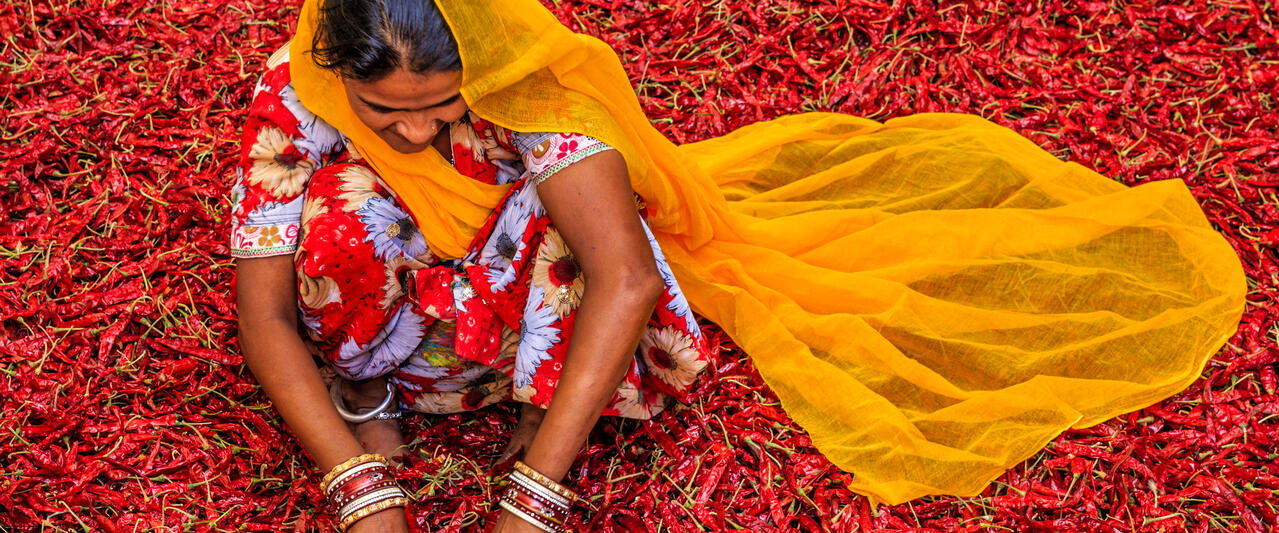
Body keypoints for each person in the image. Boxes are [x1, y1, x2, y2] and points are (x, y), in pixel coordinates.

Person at [233, 0, 1247, 531]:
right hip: (403, 327)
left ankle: (544, 415)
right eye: (384, 112)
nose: (414, 132)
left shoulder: (527, 75)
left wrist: (533, 499)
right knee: (343, 209)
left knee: (570, 223)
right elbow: (267, 309)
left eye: (442, 106)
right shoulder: (297, 88)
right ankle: (376, 402)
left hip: (511, 307)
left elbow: (624, 275)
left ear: (482, 65)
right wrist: (356, 485)